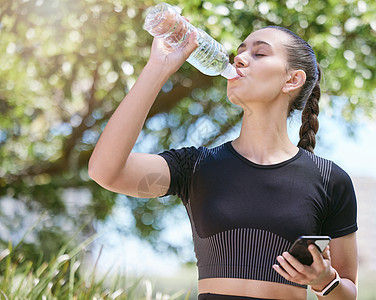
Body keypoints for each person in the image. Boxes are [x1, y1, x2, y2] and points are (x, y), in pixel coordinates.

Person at [88, 24, 358, 300]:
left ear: (292, 80)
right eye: (240, 52)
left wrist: (326, 280)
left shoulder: (330, 180)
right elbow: (105, 171)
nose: (239, 59)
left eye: (260, 54)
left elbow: (349, 292)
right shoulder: (195, 167)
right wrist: (158, 68)